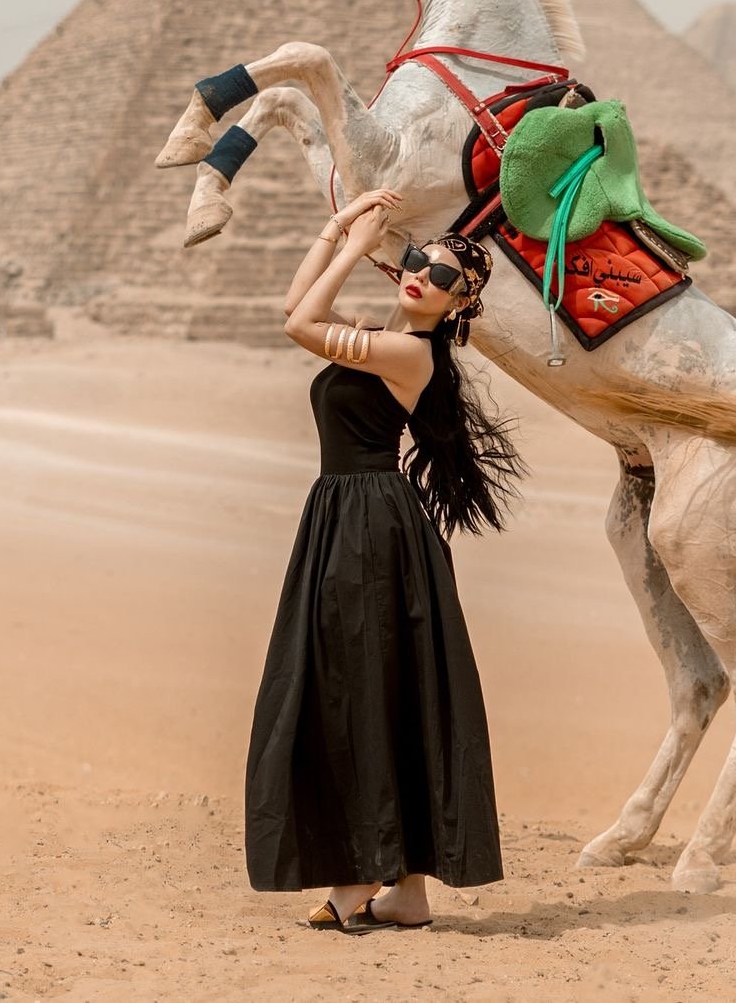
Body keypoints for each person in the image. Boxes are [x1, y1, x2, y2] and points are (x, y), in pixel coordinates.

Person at [244, 187, 527, 933]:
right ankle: (405, 892)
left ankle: (360, 873)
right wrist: (340, 226)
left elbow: (300, 324)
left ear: (460, 305)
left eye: (440, 279)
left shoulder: (410, 353)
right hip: (349, 514)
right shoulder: (386, 335)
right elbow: (297, 302)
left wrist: (350, 244)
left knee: (357, 685)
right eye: (412, 261)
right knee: (373, 684)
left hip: (369, 527)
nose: (418, 277)